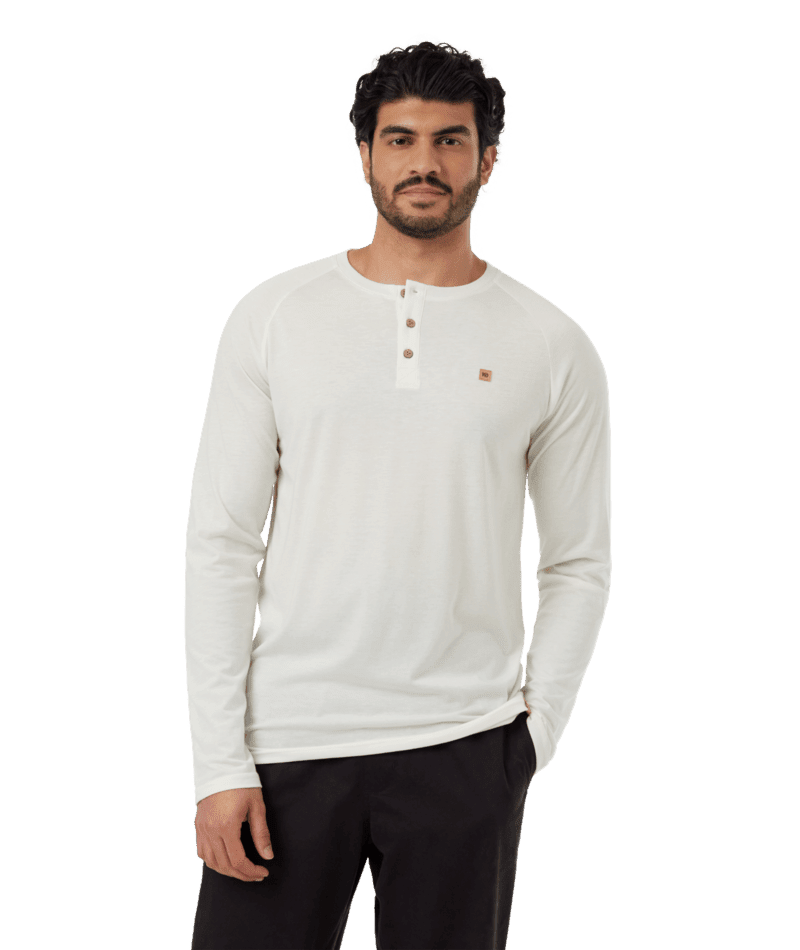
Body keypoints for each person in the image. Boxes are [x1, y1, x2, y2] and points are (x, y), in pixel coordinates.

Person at [185, 37, 611, 950]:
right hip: (288, 743)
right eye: (401, 139)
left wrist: (533, 736)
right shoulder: (275, 317)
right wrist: (219, 763)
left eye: (450, 140)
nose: (425, 163)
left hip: (465, 747)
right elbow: (222, 545)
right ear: (365, 152)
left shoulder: (551, 343)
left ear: (488, 157)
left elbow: (578, 561)